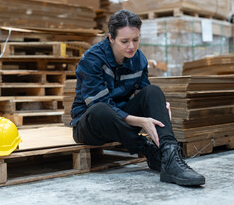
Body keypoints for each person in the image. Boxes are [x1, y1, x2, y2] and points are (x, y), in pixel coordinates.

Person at [70, 9, 205, 186]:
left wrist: (160, 108)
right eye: (124, 41)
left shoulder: (138, 59)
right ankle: (147, 149)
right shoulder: (92, 60)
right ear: (111, 38)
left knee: (154, 92)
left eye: (136, 40)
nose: (131, 46)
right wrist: (141, 122)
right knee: (100, 110)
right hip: (92, 125)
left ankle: (170, 156)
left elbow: (144, 93)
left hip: (123, 123)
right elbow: (99, 104)